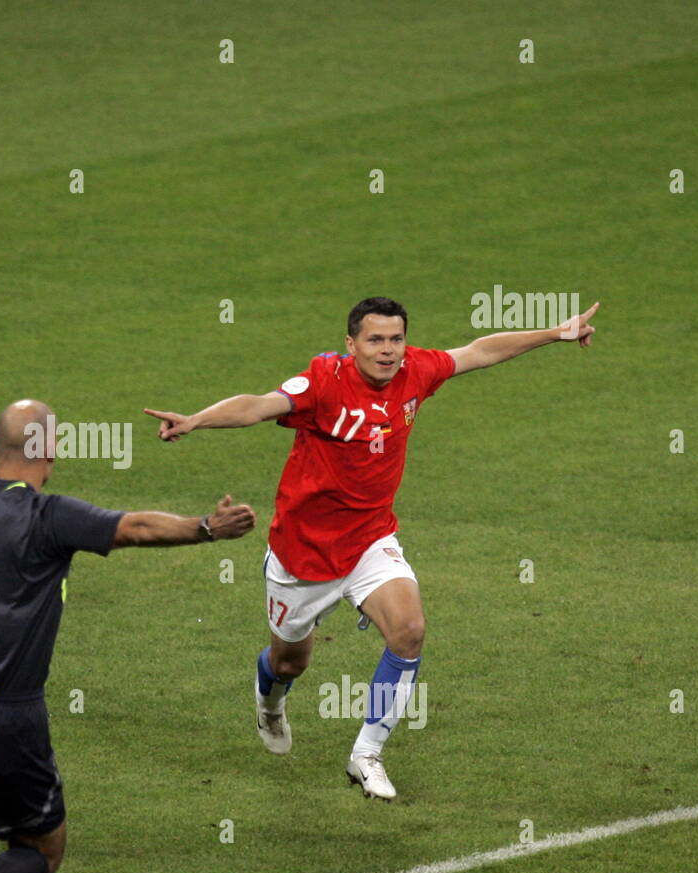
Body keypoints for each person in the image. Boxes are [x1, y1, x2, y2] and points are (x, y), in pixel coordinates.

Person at [144, 296, 599, 801]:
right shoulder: (323, 382)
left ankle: (367, 753)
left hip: (370, 538)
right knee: (290, 662)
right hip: (304, 553)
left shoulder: (417, 370)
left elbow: (479, 351)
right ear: (351, 344)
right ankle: (269, 700)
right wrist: (195, 420)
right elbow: (258, 404)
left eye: (396, 339)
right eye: (375, 340)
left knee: (409, 630)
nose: (388, 351)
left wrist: (555, 333)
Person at [0, 399, 256, 873]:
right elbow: (135, 528)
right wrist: (207, 527)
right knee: (40, 849)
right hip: (6, 718)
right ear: (52, 451)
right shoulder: (51, 517)